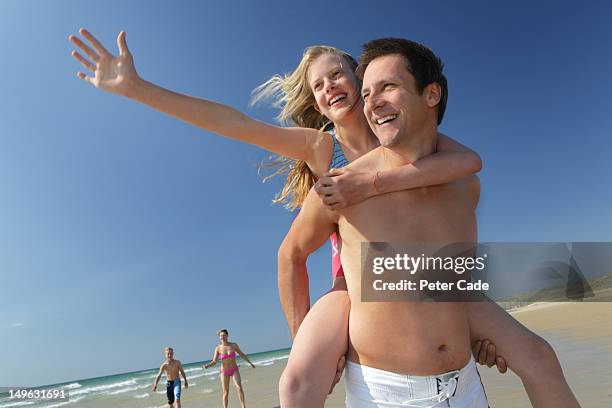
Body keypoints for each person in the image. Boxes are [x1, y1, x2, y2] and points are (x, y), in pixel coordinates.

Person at [68, 30, 576, 407]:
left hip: (426, 274)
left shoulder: (402, 135)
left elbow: (468, 164)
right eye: (317, 86)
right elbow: (235, 124)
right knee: (297, 378)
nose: (330, 86)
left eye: (338, 73)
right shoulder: (322, 147)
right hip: (348, 279)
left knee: (534, 354)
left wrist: (374, 182)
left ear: (362, 80)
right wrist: (140, 90)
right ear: (315, 104)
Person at [278, 38, 580, 407]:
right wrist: (303, 340)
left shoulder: (463, 184)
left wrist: (469, 333)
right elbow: (290, 254)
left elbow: (451, 276)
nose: (374, 101)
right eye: (370, 91)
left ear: (431, 95)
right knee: (295, 383)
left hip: (464, 387)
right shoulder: (340, 188)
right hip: (382, 391)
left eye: (387, 86)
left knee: (539, 356)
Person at [204, 328, 255, 408]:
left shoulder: (233, 345)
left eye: (224, 335)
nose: (222, 337)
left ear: (227, 336)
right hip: (224, 372)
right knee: (225, 392)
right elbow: (214, 361)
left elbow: (242, 354)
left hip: (234, 369)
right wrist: (208, 365)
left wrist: (250, 363)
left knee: (239, 387)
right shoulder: (218, 348)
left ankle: (243, 406)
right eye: (221, 336)